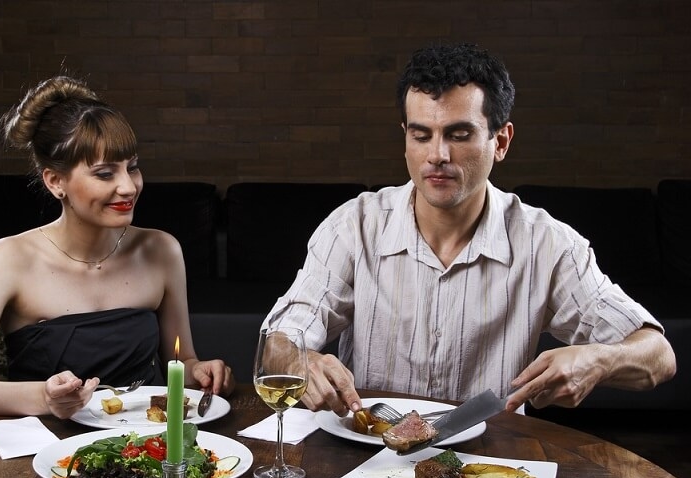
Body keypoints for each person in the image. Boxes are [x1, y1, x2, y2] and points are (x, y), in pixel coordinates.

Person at [263, 43, 676, 416]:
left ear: (501, 141)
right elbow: (279, 339)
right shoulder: (354, 227)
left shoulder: (547, 243)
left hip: (488, 472)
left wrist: (597, 360)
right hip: (365, 459)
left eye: (459, 135)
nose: (437, 156)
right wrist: (301, 362)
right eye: (420, 135)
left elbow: (659, 355)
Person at [0, 75, 232, 419]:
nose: (128, 187)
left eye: (132, 167)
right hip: (43, 451)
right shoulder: (7, 258)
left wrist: (199, 370)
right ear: (56, 182)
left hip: (146, 444)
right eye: (104, 174)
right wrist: (45, 398)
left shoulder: (162, 250)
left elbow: (180, 363)